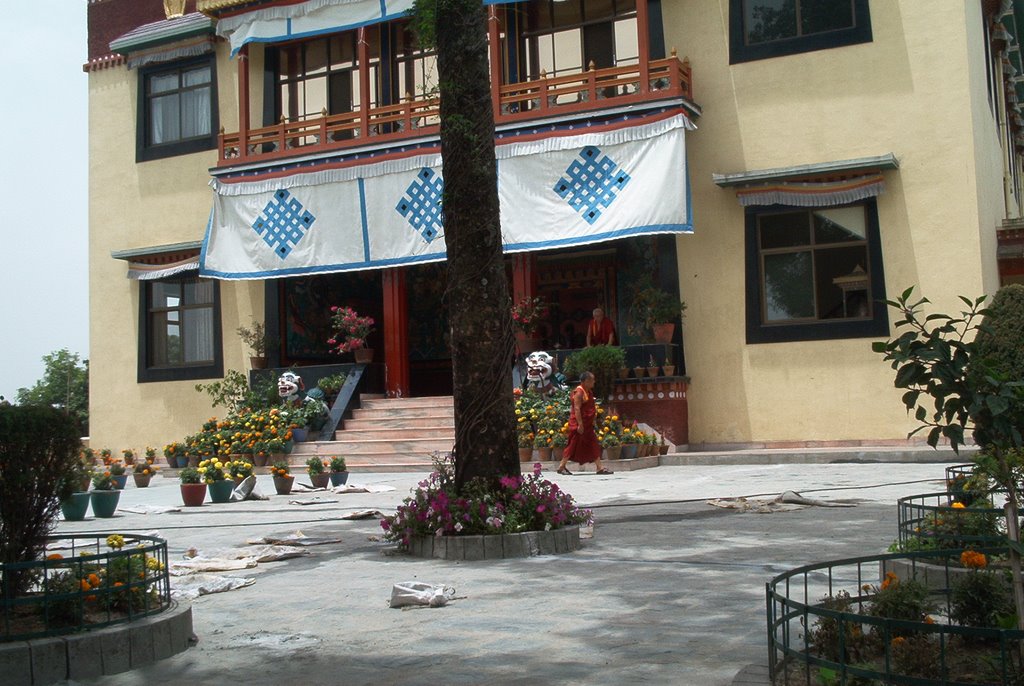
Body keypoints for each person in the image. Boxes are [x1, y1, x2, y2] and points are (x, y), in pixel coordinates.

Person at [556, 371, 613, 476]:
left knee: (593, 443)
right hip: (579, 425)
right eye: (592, 380)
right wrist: (580, 424)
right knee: (572, 445)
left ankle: (599, 467)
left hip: (587, 425)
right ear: (586, 381)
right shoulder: (579, 392)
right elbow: (577, 409)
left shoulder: (588, 392)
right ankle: (561, 466)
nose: (594, 382)